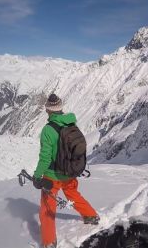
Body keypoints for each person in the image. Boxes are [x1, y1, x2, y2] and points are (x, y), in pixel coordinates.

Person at [33, 93, 99, 248]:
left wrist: (37, 176)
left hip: (52, 176)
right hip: (69, 171)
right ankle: (91, 216)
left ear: (48, 110)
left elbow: (45, 158)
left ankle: (49, 242)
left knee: (47, 207)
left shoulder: (48, 130)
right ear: (61, 108)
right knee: (73, 195)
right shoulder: (71, 123)